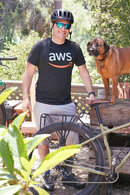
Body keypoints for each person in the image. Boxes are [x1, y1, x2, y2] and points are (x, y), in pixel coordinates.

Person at [22, 9, 95, 191]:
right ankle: (46, 176)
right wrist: (25, 98)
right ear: (53, 25)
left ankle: (67, 173)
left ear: (69, 29)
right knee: (43, 142)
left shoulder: (74, 48)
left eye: (67, 26)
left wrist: (91, 93)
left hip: (66, 104)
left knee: (72, 141)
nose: (63, 29)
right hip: (43, 103)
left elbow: (84, 72)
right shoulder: (40, 47)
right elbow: (28, 73)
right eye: (60, 24)